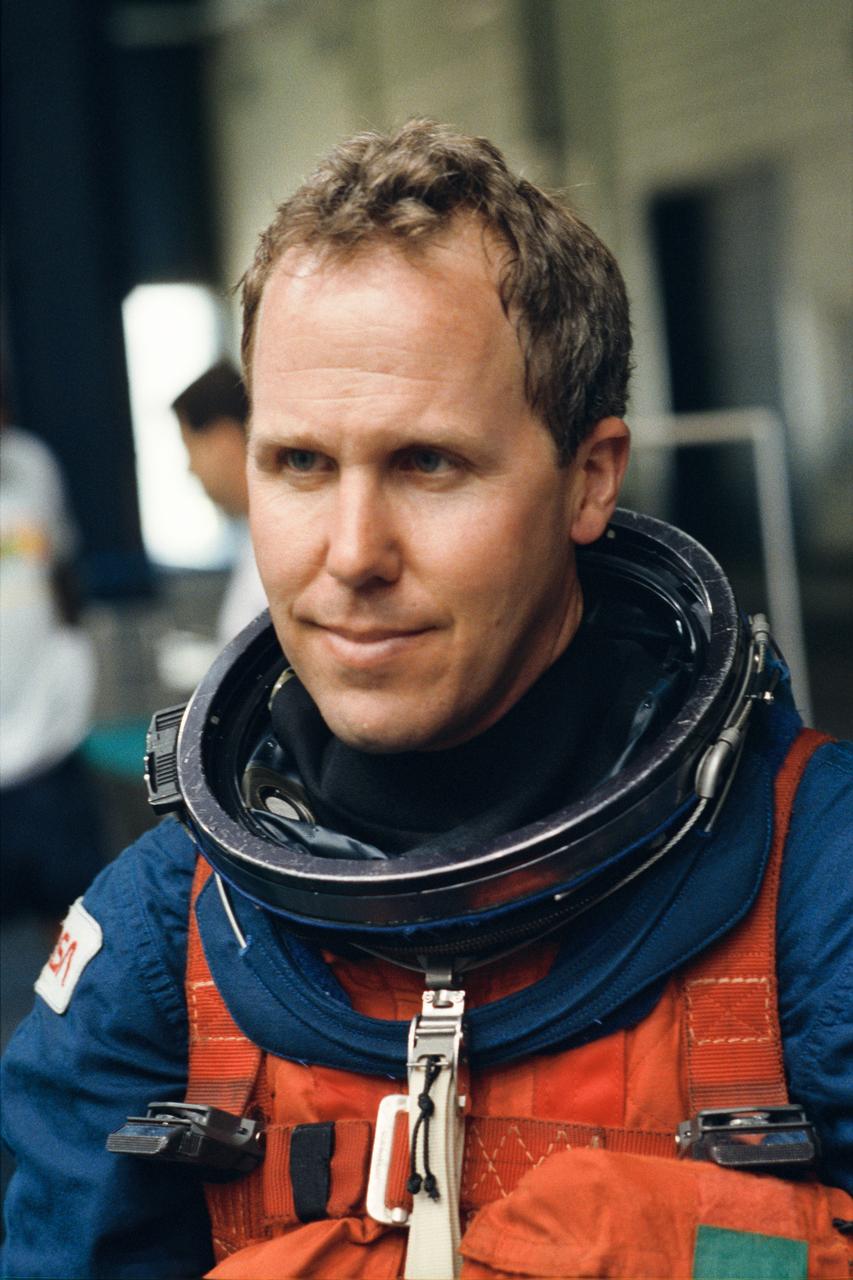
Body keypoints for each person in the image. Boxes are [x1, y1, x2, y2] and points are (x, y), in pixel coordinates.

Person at [2, 121, 851, 1280]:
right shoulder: (154, 947)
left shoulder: (818, 894)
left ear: (589, 478)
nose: (351, 552)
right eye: (300, 462)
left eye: (428, 464)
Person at [0, 397, 104, 926]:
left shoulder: (33, 464)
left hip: (48, 748)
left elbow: (63, 572)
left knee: (75, 923)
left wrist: (73, 662)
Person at [171, 359, 267, 645]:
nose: (191, 469)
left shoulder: (277, 548)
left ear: (223, 440)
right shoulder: (252, 541)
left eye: (190, 448)